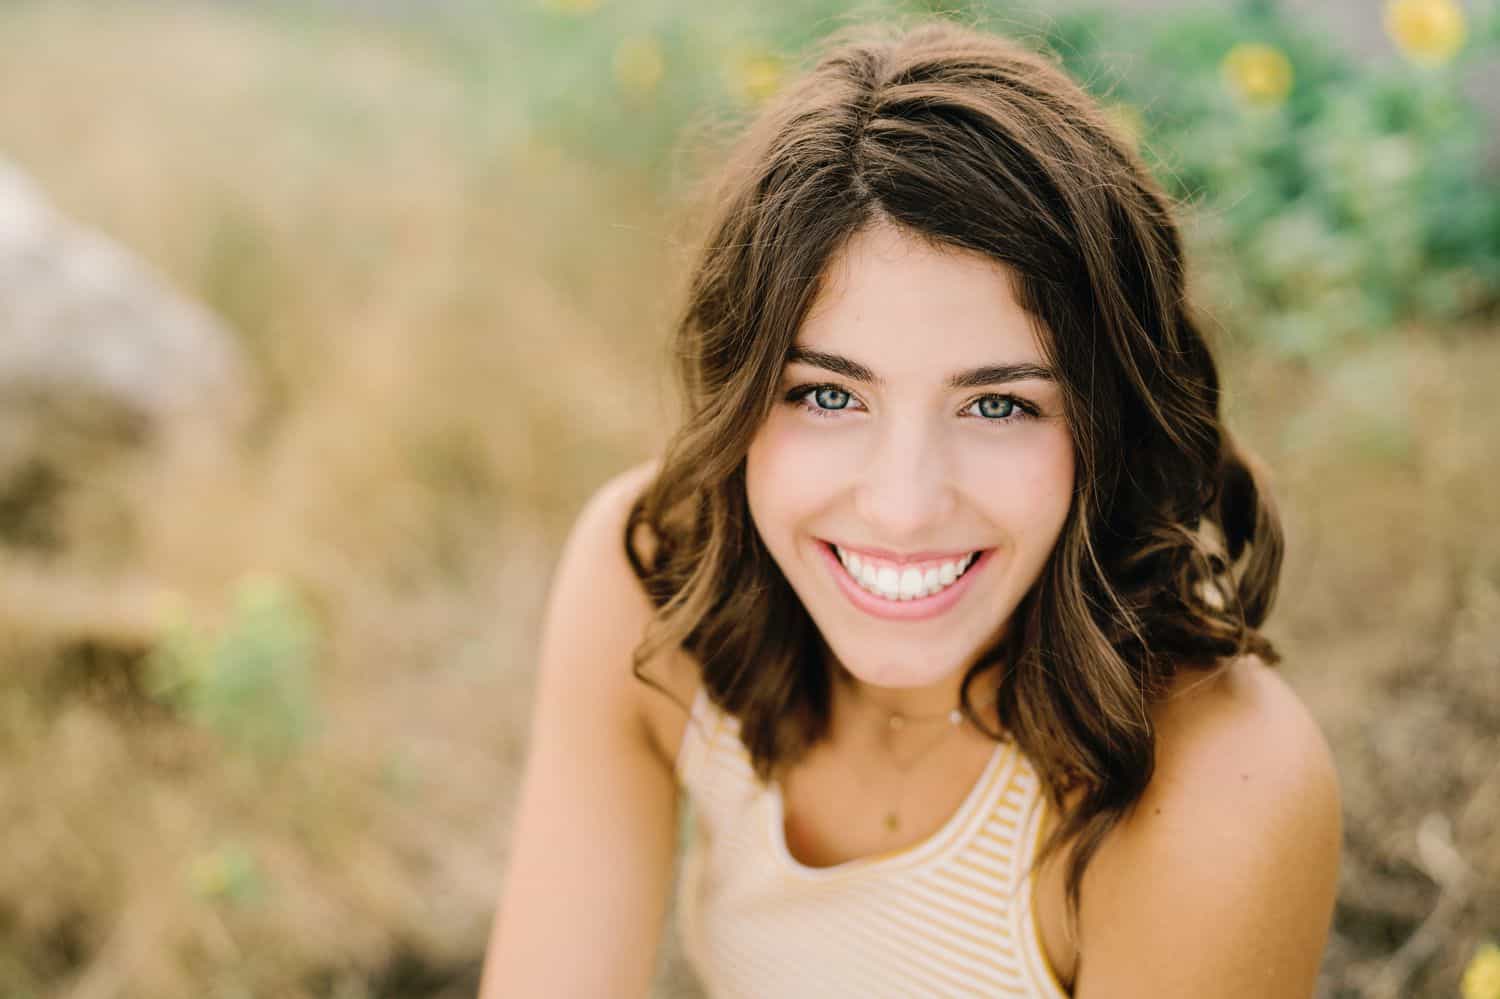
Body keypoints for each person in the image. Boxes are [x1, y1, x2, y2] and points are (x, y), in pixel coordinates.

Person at [481, 18, 1342, 998]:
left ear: (1107, 425)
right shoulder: (655, 577)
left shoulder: (1214, 783)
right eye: (828, 394)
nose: (901, 507)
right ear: (739, 395)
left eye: (998, 405)